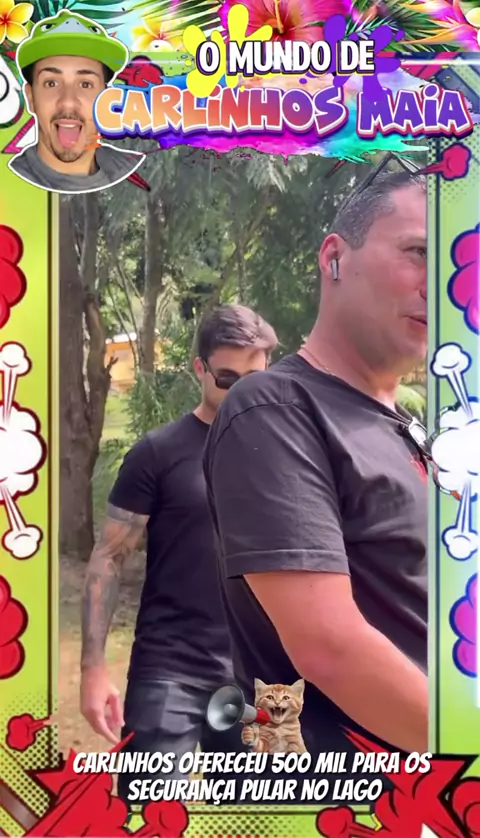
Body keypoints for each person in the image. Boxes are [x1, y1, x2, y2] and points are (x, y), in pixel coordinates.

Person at [203, 170, 429, 782]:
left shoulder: (408, 427)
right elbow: (329, 648)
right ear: (334, 259)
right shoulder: (274, 410)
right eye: (419, 252)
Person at [80, 304, 278, 802]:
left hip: (255, 679)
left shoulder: (288, 456)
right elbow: (109, 558)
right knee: (145, 819)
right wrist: (93, 669)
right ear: (199, 369)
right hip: (169, 671)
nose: (240, 392)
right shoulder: (158, 453)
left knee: (254, 824)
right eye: (226, 378)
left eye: (253, 379)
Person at [10, 11, 144, 194]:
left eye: (85, 84)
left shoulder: (133, 169)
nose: (68, 102)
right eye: (51, 83)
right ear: (30, 97)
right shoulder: (8, 183)